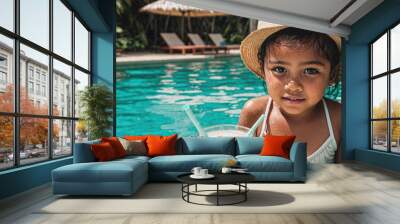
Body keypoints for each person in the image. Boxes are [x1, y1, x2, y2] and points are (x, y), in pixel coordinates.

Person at [238, 26, 341, 163]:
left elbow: (351, 176)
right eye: (279, 69)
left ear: (331, 75)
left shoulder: (338, 118)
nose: (293, 86)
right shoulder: (255, 112)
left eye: (310, 70)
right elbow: (238, 166)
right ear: (263, 71)